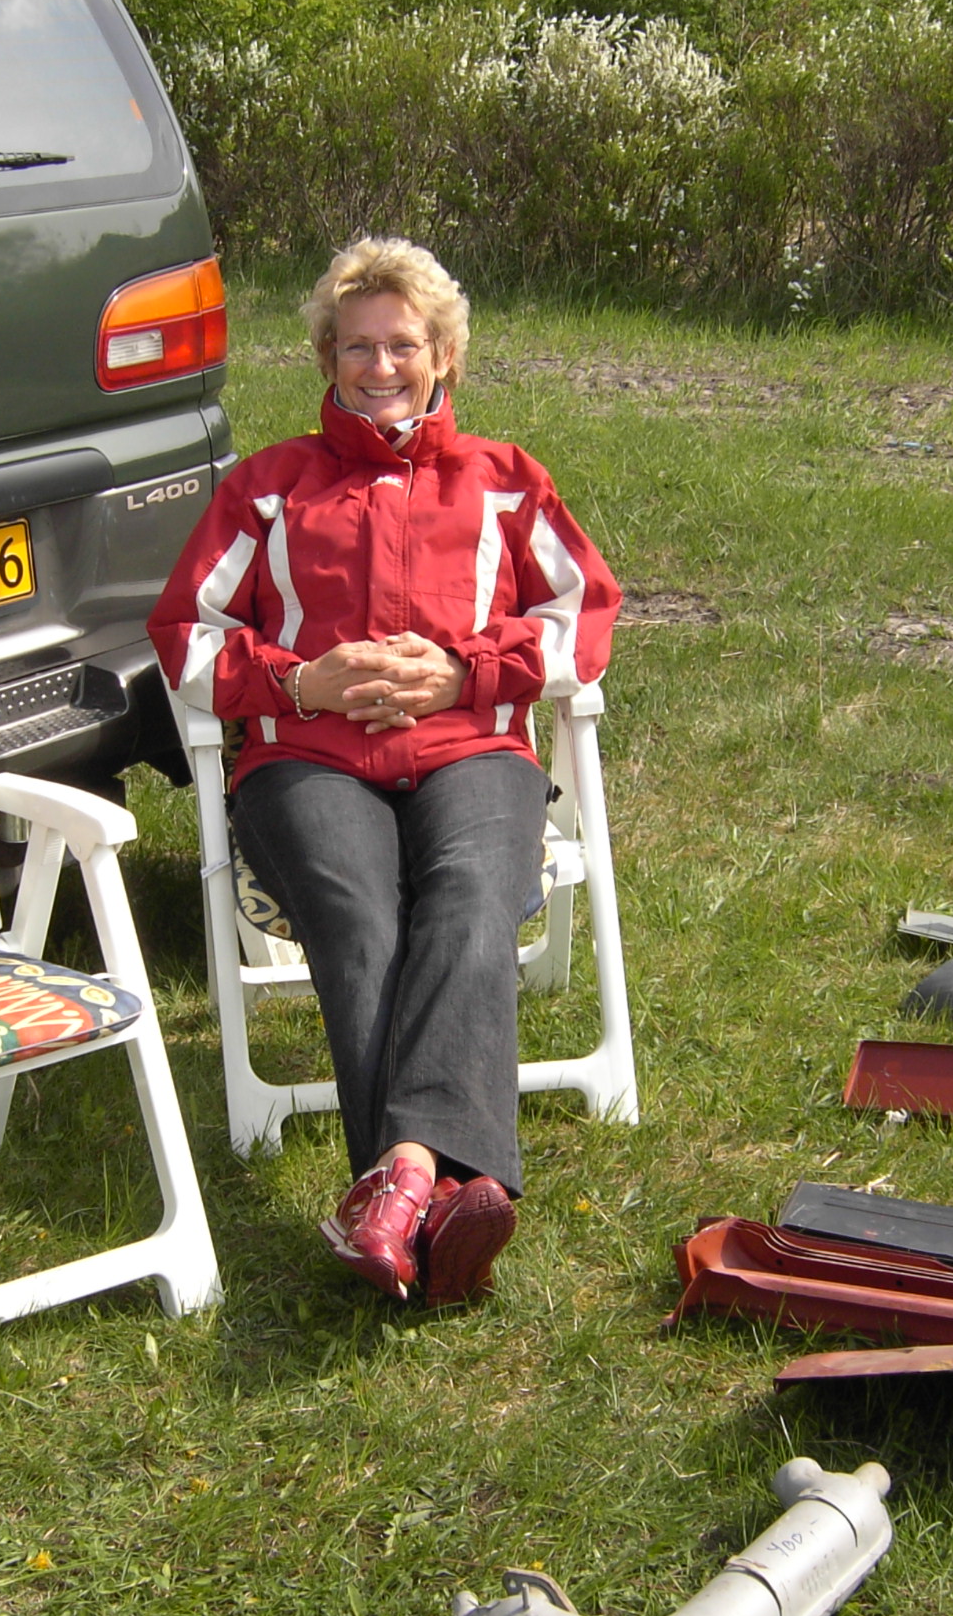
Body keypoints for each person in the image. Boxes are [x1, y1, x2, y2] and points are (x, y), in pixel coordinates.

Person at [149, 237, 621, 1305]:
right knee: (358, 919)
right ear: (327, 356)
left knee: (469, 897)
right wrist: (299, 681)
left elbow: (585, 615)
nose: (380, 367)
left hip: (471, 751)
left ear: (442, 353)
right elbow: (183, 633)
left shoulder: (504, 483)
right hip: (308, 759)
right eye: (356, 346)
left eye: (403, 344)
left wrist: (466, 672)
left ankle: (398, 1188)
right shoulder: (268, 490)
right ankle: (446, 1196)